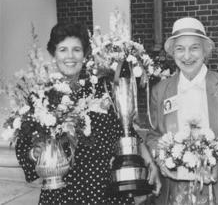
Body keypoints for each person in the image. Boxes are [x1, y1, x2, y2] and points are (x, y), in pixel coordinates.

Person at [15, 23, 161, 205]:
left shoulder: (101, 89)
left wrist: (150, 163)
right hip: (62, 194)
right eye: (63, 50)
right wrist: (35, 154)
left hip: (106, 192)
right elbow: (23, 147)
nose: (70, 56)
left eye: (76, 50)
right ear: (54, 54)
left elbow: (126, 131)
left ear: (84, 55)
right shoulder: (40, 97)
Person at [146, 17, 218, 205]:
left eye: (194, 48)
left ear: (205, 51)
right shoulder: (160, 90)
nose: (187, 56)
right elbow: (154, 136)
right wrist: (161, 161)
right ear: (172, 53)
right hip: (175, 191)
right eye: (180, 49)